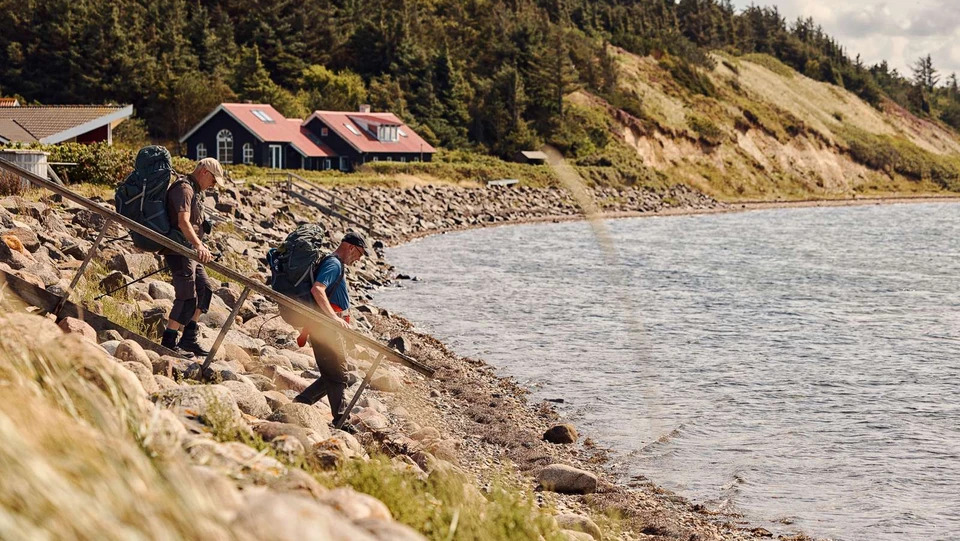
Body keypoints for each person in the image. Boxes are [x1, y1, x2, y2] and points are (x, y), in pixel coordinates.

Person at [294, 231, 367, 427]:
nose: (358, 259)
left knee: (333, 374)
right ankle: (341, 420)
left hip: (326, 327)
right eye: (359, 253)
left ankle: (301, 402)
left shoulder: (335, 263)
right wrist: (333, 318)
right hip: (325, 328)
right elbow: (318, 289)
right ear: (351, 247)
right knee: (338, 374)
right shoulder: (333, 264)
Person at [159, 157, 223, 357]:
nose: (213, 185)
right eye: (213, 180)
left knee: (205, 289)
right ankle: (168, 342)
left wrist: (200, 242)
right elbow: (183, 222)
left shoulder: (194, 190)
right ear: (204, 172)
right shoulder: (184, 189)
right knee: (187, 295)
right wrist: (198, 245)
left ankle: (188, 339)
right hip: (179, 249)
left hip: (190, 250)